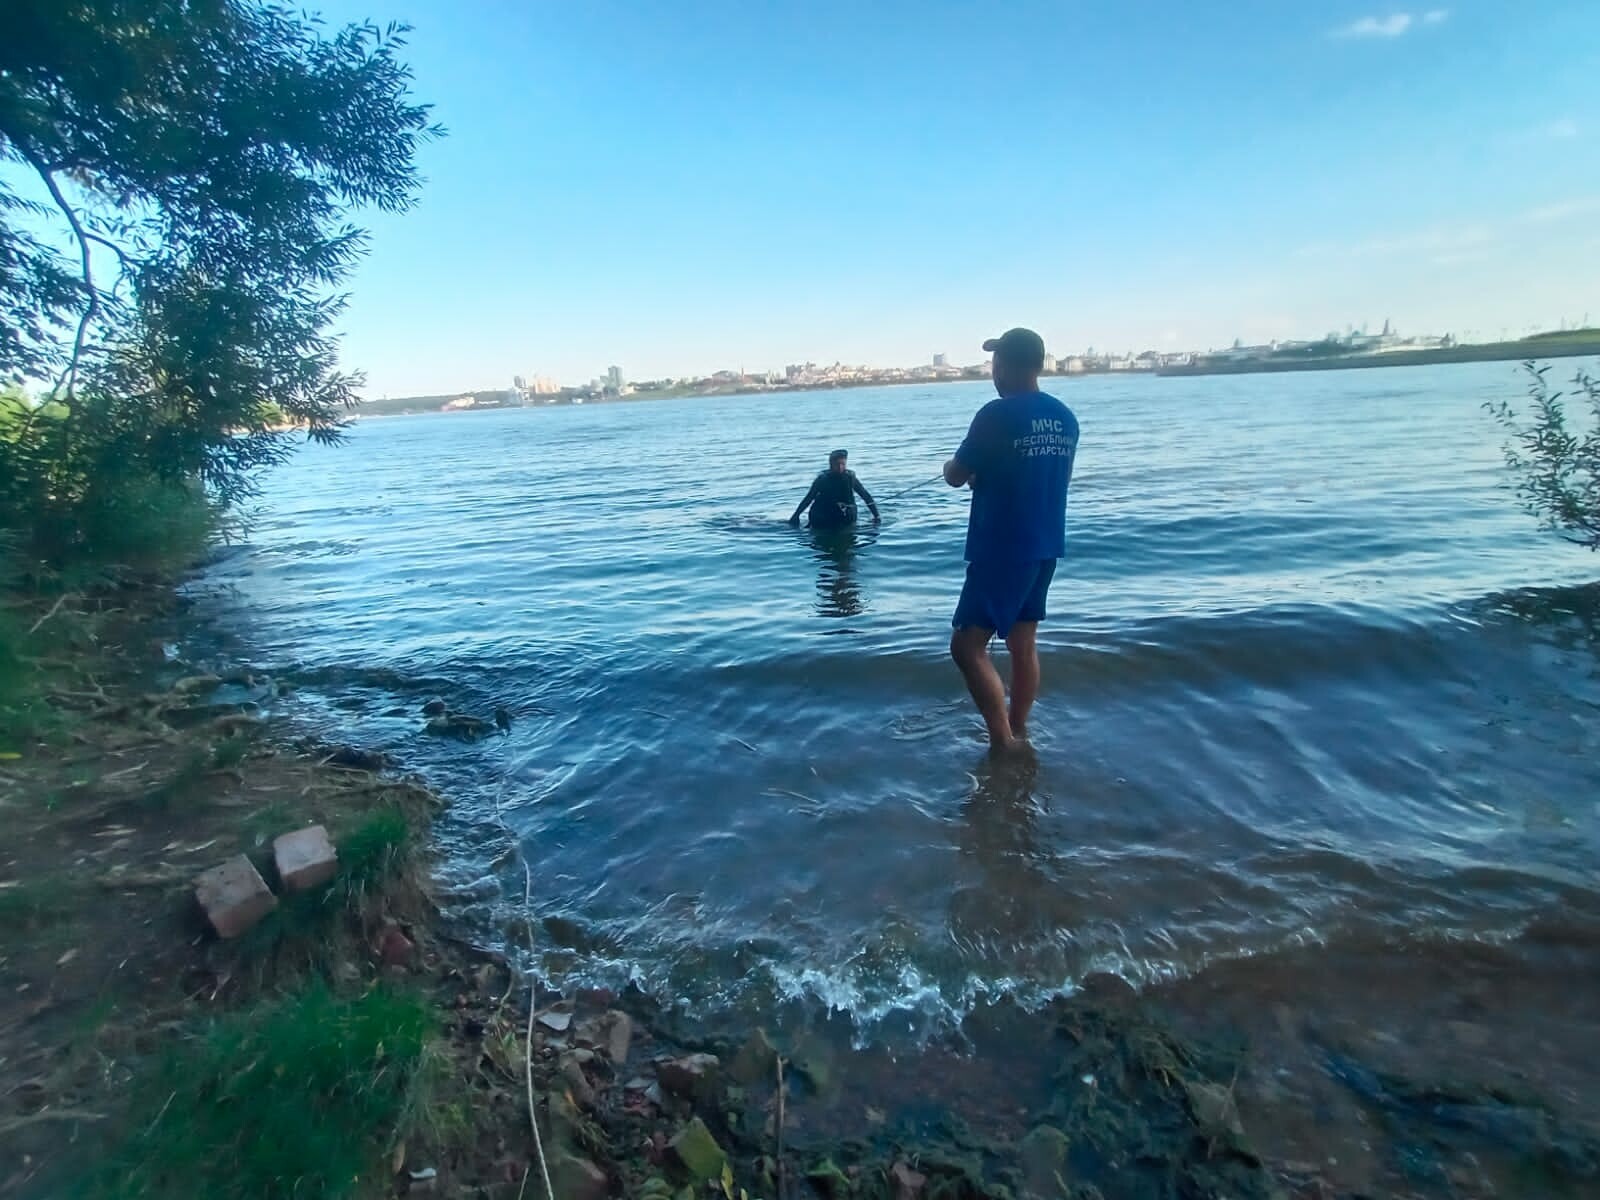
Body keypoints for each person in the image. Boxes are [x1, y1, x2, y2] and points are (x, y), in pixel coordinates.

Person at [943, 328, 1079, 753]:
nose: (993, 371)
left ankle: (1002, 742)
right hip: (1046, 546)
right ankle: (1019, 729)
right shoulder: (1065, 417)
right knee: (1023, 643)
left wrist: (957, 466)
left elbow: (955, 475)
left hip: (1002, 547)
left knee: (966, 646)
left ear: (1004, 365)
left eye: (995, 362)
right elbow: (1035, 475)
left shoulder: (996, 414)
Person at [788, 449, 881, 529]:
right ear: (831, 464)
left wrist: (876, 515)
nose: (840, 467)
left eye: (843, 464)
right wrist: (796, 515)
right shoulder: (822, 479)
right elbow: (809, 498)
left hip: (845, 514)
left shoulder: (850, 478)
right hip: (825, 514)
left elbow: (865, 496)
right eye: (837, 464)